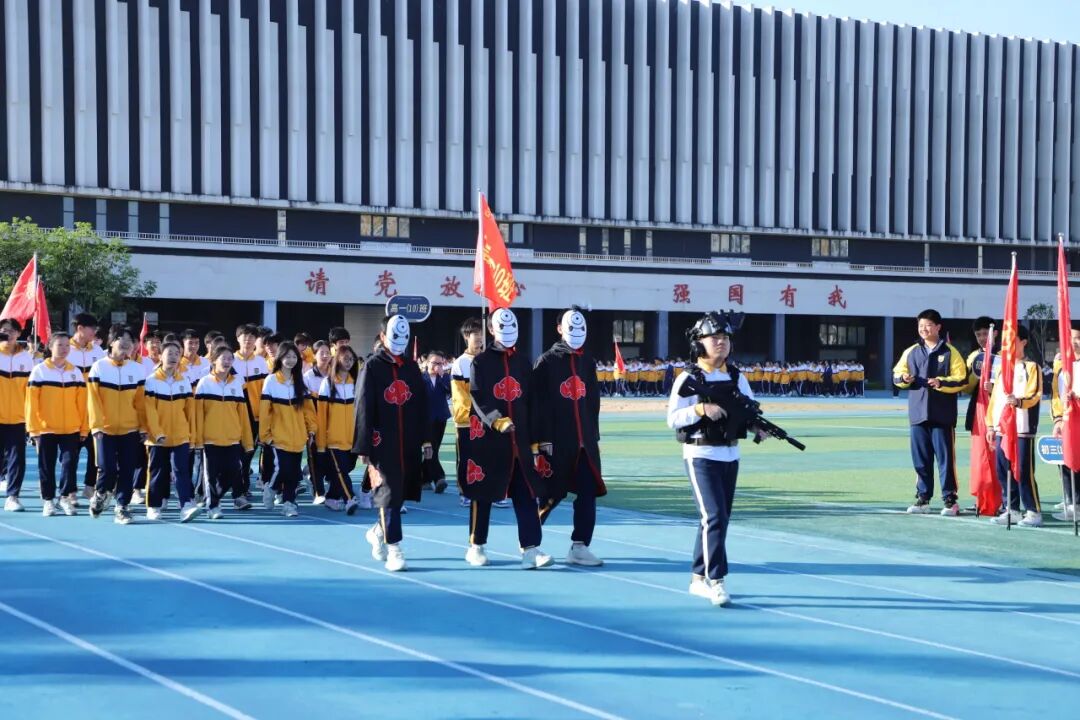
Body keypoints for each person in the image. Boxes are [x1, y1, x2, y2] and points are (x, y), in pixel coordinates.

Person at [667, 311, 762, 606]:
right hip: (700, 454)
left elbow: (747, 412)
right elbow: (672, 419)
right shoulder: (688, 378)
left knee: (715, 518)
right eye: (714, 337)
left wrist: (756, 426)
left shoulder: (736, 377)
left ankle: (697, 579)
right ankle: (716, 580)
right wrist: (700, 409)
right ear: (699, 343)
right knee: (715, 517)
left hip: (730, 454)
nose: (721, 342)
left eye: (725, 338)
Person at [458, 308, 553, 569]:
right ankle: (476, 545)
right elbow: (478, 397)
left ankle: (531, 549)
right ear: (491, 330)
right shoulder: (480, 362)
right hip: (489, 440)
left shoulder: (523, 362)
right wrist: (497, 421)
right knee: (484, 494)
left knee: (526, 494)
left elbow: (532, 402)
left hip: (519, 442)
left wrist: (535, 439)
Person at [352, 315, 431, 572]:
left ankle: (378, 531)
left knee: (399, 494)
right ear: (382, 336)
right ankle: (395, 547)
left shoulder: (411, 368)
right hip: (381, 442)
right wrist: (363, 445)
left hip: (407, 441)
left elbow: (421, 405)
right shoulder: (372, 366)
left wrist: (426, 438)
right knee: (388, 491)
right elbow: (363, 406)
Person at [533, 307, 605, 566]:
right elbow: (537, 404)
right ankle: (529, 543)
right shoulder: (547, 361)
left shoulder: (587, 361)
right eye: (570, 327)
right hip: (556, 440)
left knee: (588, 492)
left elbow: (593, 400)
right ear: (559, 329)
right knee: (552, 494)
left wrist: (593, 434)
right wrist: (542, 439)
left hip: (585, 441)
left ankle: (580, 546)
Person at [892, 309, 968, 516]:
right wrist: (903, 379)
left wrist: (941, 382)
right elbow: (897, 374)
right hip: (918, 414)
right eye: (920, 326)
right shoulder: (911, 351)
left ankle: (950, 500)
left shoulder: (950, 352)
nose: (923, 329)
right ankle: (923, 499)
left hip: (942, 415)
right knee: (921, 460)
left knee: (945, 460)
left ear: (938, 327)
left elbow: (962, 379)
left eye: (928, 325)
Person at [87, 325, 147, 525]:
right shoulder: (99, 367)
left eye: (130, 342)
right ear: (111, 342)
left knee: (128, 469)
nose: (126, 345)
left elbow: (140, 403)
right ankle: (100, 493)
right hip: (105, 429)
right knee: (107, 468)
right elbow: (93, 400)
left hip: (130, 429)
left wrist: (143, 427)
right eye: (122, 341)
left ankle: (122, 506)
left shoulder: (137, 370)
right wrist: (96, 425)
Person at [450, 318, 511, 508]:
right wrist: (472, 414)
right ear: (466, 336)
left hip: (489, 419)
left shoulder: (488, 360)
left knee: (491, 457)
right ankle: (466, 492)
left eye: (481, 334)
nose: (479, 338)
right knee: (467, 458)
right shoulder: (460, 363)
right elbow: (460, 395)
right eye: (475, 334)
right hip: (468, 420)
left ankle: (495, 492)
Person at [26, 332, 87, 516]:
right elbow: (31, 403)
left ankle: (65, 497)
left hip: (71, 428)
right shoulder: (39, 371)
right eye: (60, 345)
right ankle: (48, 500)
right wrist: (33, 429)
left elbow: (82, 403)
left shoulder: (75, 372)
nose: (64, 349)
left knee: (69, 464)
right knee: (46, 465)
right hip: (46, 428)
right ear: (50, 347)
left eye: (67, 345)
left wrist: (84, 428)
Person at [142, 341, 201, 522]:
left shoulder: (184, 381)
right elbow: (149, 411)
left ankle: (186, 505)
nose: (174, 357)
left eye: (177, 353)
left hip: (180, 436)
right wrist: (157, 433)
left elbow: (190, 412)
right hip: (157, 438)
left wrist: (191, 436)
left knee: (181, 470)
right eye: (170, 353)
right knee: (157, 471)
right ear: (160, 356)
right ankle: (154, 506)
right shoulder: (151, 381)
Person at [194, 346, 255, 518]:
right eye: (224, 358)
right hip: (210, 439)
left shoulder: (236, 383)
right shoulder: (204, 383)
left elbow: (243, 415)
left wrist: (247, 441)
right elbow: (198, 415)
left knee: (233, 472)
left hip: (232, 439)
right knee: (210, 475)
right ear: (214, 360)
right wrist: (198, 439)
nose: (227, 362)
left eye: (230, 358)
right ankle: (212, 506)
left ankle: (214, 497)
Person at [258, 341, 317, 517]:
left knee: (293, 473)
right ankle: (272, 488)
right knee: (283, 469)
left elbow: (308, 410)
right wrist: (265, 434)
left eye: (294, 357)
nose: (291, 360)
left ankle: (289, 503)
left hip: (298, 436)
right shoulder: (271, 381)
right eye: (288, 356)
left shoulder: (300, 381)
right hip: (278, 436)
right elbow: (265, 411)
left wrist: (311, 429)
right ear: (280, 358)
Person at [318, 345, 364, 513]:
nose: (349, 362)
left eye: (351, 359)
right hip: (333, 439)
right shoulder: (327, 383)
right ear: (337, 360)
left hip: (352, 439)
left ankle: (331, 497)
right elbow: (322, 415)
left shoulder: (356, 384)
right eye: (345, 359)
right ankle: (349, 498)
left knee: (345, 469)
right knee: (341, 470)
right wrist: (321, 441)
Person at [69, 313, 105, 500]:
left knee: (95, 452)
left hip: (93, 411)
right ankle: (70, 490)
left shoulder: (98, 352)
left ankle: (90, 486)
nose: (94, 332)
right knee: (70, 455)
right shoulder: (65, 349)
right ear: (80, 328)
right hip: (72, 411)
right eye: (92, 328)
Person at [233, 323, 270, 499]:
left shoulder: (261, 362)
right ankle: (237, 487)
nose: (248, 340)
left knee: (248, 453)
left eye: (251, 337)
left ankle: (243, 487)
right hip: (235, 416)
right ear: (237, 338)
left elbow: (265, 391)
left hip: (256, 416)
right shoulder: (230, 360)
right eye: (244, 336)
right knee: (237, 453)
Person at [0, 318, 33, 511]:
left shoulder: (26, 358)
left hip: (18, 418)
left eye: (12, 330)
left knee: (17, 459)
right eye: (4, 330)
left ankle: (13, 496)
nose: (8, 334)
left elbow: (31, 391)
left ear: (19, 334)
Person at [1051, 322, 1080, 521]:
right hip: (1066, 421)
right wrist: (1058, 420)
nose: (1074, 343)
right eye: (1071, 339)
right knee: (1065, 461)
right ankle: (1071, 502)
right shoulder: (1062, 369)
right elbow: (1056, 396)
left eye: (1078, 339)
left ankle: (1076, 504)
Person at [421, 350, 451, 494]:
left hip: (441, 418)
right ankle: (439, 478)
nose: (437, 366)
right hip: (425, 420)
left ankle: (423, 478)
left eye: (440, 363)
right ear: (427, 363)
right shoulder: (421, 378)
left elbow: (451, 391)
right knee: (430, 449)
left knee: (435, 449)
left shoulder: (444, 378)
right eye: (434, 363)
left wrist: (443, 376)